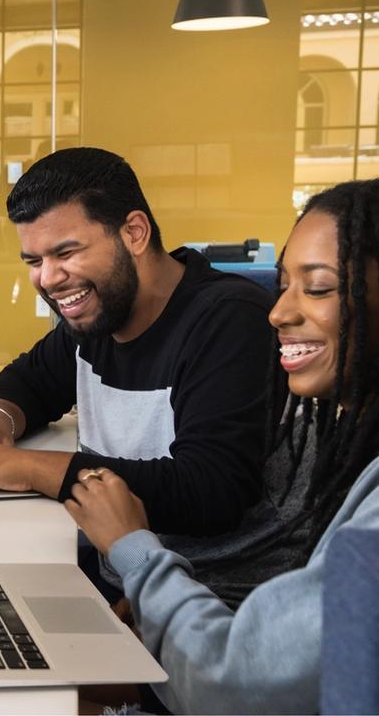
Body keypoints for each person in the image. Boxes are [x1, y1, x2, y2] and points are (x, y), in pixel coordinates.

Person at [0, 147, 275, 602]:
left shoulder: (228, 319)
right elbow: (30, 380)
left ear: (134, 232)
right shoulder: (100, 315)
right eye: (33, 261)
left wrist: (27, 468)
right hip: (124, 575)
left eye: (66, 252)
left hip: (217, 601)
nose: (48, 278)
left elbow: (211, 489)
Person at [66, 179, 379, 713]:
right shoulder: (344, 446)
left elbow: (235, 684)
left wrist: (136, 552)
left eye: (320, 288)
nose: (278, 312)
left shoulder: (223, 316)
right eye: (284, 284)